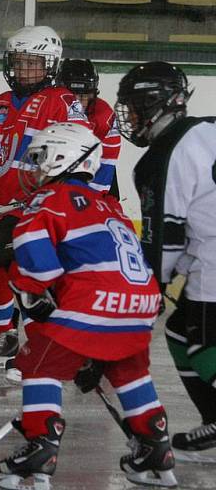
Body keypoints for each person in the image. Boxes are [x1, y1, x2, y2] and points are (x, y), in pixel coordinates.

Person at [0, 122, 176, 490]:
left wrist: (25, 285)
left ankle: (41, 447)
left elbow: (39, 265)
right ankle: (155, 446)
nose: (35, 167)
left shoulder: (49, 199)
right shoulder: (109, 204)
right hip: (140, 305)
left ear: (63, 157)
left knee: (40, 365)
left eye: (41, 158)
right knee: (129, 372)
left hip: (92, 305)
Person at [0, 25, 88, 370]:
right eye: (18, 62)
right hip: (1, 210)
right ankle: (3, 340)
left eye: (33, 62)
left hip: (38, 211)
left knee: (29, 278)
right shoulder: (1, 103)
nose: (23, 69)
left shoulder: (63, 102)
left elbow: (80, 150)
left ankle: (39, 353)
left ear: (52, 65)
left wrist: (50, 196)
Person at [116, 61, 216, 463]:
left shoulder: (160, 158)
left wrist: (151, 287)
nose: (133, 117)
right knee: (179, 330)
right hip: (208, 253)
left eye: (137, 107)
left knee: (204, 340)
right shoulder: (208, 126)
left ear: (160, 104)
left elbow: (164, 236)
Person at [56, 58, 121, 196]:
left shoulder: (104, 116)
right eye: (74, 95)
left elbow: (105, 165)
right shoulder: (50, 105)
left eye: (85, 95)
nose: (79, 102)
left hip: (92, 178)